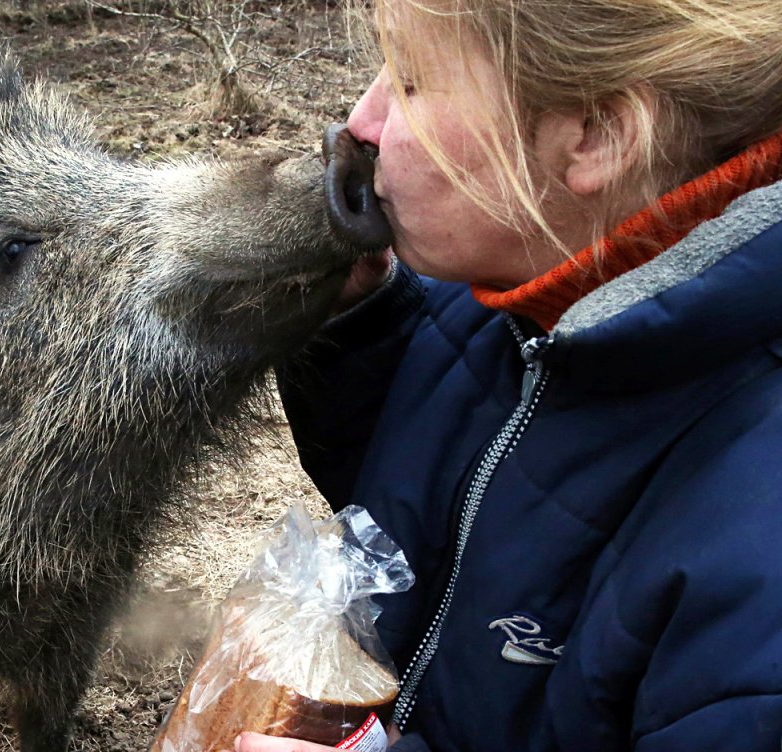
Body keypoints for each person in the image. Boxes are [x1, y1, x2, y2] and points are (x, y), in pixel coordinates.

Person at [245, 1, 782, 750]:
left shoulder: (762, 564)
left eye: (408, 80)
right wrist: (364, 327)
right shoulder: (536, 282)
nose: (360, 125)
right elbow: (467, 502)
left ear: (595, 135)